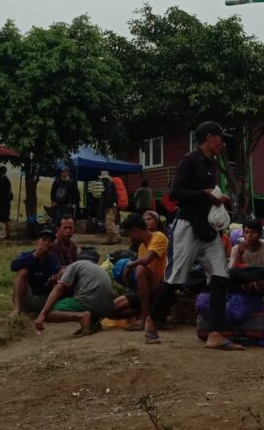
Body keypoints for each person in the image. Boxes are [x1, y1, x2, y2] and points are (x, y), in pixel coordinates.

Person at [145, 121, 242, 350]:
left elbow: (208, 196)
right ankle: (152, 320)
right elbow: (175, 193)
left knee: (220, 276)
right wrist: (206, 193)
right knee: (176, 277)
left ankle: (215, 334)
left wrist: (219, 197)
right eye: (220, 137)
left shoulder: (213, 163)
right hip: (187, 226)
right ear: (209, 137)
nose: (223, 141)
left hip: (208, 228)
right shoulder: (189, 160)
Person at [34, 256, 130, 336]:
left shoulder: (71, 267)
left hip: (90, 300)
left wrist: (42, 313)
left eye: (59, 277)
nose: (60, 279)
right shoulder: (91, 267)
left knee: (49, 313)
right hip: (105, 307)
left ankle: (81, 317)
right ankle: (92, 324)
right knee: (84, 302)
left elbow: (59, 288)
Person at [121, 212, 168, 331]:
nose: (130, 238)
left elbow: (146, 261)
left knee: (141, 269)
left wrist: (130, 265)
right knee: (115, 307)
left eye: (129, 234)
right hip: (149, 288)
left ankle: (145, 319)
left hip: (162, 287)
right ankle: (152, 313)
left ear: (135, 230)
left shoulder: (158, 236)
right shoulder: (142, 247)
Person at [11, 229, 61, 313]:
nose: (46, 243)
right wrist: (35, 255)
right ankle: (17, 308)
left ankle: (49, 310)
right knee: (22, 271)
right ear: (37, 242)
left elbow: (57, 274)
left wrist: (54, 279)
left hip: (43, 299)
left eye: (50, 241)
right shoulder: (26, 255)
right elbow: (13, 266)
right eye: (44, 239)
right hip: (27, 296)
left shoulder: (53, 260)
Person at [99, 170, 120, 245]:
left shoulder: (107, 185)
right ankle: (110, 238)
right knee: (109, 223)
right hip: (112, 205)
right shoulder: (109, 184)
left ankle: (116, 237)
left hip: (110, 206)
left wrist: (106, 206)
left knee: (109, 223)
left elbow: (108, 196)